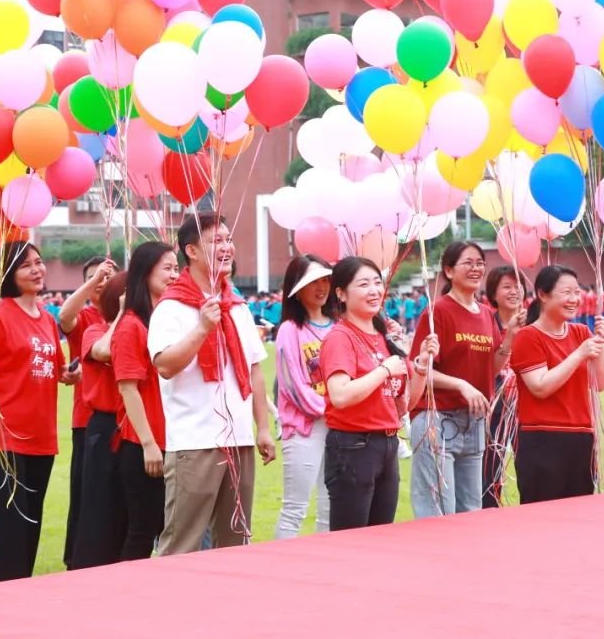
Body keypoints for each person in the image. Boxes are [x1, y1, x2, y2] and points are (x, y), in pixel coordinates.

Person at [148, 213, 276, 555]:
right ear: (191, 250)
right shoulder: (171, 307)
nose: (227, 247)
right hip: (195, 442)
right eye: (215, 240)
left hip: (239, 439)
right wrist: (202, 327)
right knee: (182, 541)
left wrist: (262, 428)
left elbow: (253, 371)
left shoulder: (236, 305)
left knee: (236, 541)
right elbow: (164, 365)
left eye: (228, 238)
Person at [0, 242, 79, 581]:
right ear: (10, 275)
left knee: (31, 528)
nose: (37, 269)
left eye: (39, 263)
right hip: (5, 441)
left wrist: (71, 374)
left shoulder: (47, 319)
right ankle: (6, 610)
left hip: (42, 440)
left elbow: (58, 370)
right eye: (26, 265)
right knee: (12, 533)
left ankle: (23, 604)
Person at [320, 257, 438, 530]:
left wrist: (420, 364)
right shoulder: (340, 337)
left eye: (377, 283)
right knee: (351, 541)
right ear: (341, 293)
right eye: (364, 284)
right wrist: (384, 370)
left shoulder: (385, 337)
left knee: (380, 536)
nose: (374, 290)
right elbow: (340, 396)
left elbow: (404, 405)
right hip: (353, 447)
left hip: (386, 445)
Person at [410, 242, 514, 519]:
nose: (476, 268)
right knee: (438, 512)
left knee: (471, 510)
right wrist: (461, 385)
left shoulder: (484, 315)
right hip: (437, 420)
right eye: (468, 262)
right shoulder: (438, 312)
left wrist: (510, 338)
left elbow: (490, 368)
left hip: (474, 421)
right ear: (448, 270)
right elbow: (421, 369)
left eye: (480, 262)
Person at [511, 265, 604, 503]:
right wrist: (578, 354)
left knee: (579, 518)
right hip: (542, 439)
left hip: (581, 438)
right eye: (567, 292)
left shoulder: (581, 332)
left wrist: (600, 343)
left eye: (577, 292)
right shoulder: (528, 337)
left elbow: (600, 383)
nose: (574, 299)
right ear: (543, 295)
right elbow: (540, 386)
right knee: (541, 520)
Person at [113, 241, 179, 560]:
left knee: (170, 530)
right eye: (167, 267)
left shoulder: (165, 322)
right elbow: (129, 389)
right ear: (144, 272)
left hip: (175, 440)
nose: (174, 274)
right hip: (145, 445)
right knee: (142, 530)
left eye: (176, 267)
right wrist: (149, 444)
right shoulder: (131, 326)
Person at [57, 255, 116, 570]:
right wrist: (95, 281)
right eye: (93, 278)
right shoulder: (86, 317)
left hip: (127, 421)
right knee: (84, 495)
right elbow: (65, 316)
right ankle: (76, 559)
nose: (103, 282)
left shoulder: (129, 317)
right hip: (88, 420)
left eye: (109, 277)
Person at [272, 255, 337, 539]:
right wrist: (332, 408)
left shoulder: (339, 327)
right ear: (296, 288)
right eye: (313, 281)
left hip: (339, 426)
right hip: (304, 428)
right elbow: (292, 385)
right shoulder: (289, 330)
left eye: (325, 279)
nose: (321, 287)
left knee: (330, 506)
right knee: (295, 508)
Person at [73, 272, 130, 568]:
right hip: (104, 426)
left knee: (127, 513)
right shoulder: (95, 330)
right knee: (98, 510)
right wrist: (122, 314)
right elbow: (104, 350)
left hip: (132, 427)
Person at [481, 266, 527, 508]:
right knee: (489, 469)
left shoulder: (535, 322)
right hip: (494, 406)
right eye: (506, 287)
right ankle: (489, 512)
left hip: (528, 406)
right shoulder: (484, 322)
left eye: (517, 286)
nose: (514, 291)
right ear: (493, 294)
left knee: (529, 466)